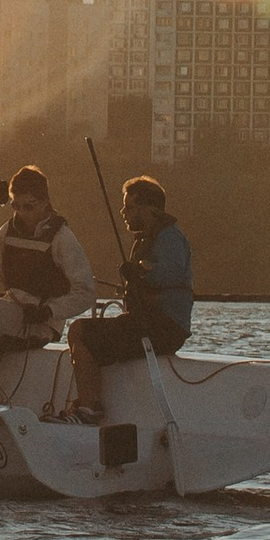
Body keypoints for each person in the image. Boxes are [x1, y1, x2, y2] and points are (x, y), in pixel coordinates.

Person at [67, 174, 195, 414]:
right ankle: (91, 402)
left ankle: (88, 408)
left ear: (149, 209)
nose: (123, 212)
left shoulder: (170, 237)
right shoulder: (148, 238)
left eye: (129, 207)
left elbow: (169, 274)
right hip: (150, 325)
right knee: (93, 335)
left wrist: (139, 272)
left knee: (79, 331)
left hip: (162, 328)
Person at [0, 167, 96, 345]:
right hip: (12, 312)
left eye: (28, 206)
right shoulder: (6, 232)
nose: (21, 213)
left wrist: (48, 311)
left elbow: (86, 292)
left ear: (45, 202)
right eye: (15, 206)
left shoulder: (61, 237)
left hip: (44, 324)